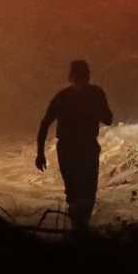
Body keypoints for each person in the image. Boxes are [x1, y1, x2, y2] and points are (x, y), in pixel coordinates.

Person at [36, 58, 114, 232]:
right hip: (81, 148)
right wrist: (40, 154)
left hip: (71, 150)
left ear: (71, 77)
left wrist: (40, 154)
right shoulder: (94, 94)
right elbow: (108, 119)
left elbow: (45, 124)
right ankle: (79, 230)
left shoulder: (63, 96)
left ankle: (77, 230)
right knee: (83, 193)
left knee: (76, 193)